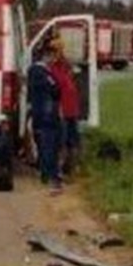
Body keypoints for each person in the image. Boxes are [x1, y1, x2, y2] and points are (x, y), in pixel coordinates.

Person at [28, 39, 63, 192]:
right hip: (46, 115)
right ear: (46, 55)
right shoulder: (39, 72)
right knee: (49, 146)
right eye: (53, 57)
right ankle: (52, 177)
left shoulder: (40, 72)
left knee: (44, 146)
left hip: (42, 114)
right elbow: (54, 89)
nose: (54, 60)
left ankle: (45, 174)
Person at [48, 36, 82, 178]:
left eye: (59, 50)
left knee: (73, 140)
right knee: (61, 140)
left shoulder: (65, 66)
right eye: (55, 50)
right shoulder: (50, 68)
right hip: (60, 109)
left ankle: (72, 168)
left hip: (72, 109)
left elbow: (72, 75)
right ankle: (57, 170)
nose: (57, 53)